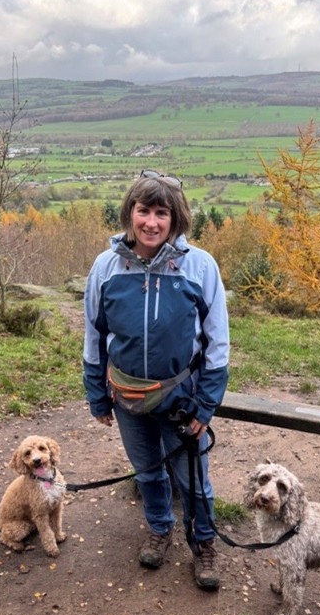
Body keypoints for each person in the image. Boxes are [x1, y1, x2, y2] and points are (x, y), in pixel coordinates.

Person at [83, 169, 229, 590]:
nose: (151, 222)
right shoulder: (106, 267)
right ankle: (160, 528)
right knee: (147, 471)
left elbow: (218, 341)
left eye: (161, 213)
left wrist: (206, 403)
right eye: (143, 210)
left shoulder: (199, 267)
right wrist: (97, 393)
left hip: (181, 397)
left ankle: (203, 543)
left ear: (175, 218)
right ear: (130, 213)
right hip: (127, 396)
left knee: (193, 478)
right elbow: (95, 333)